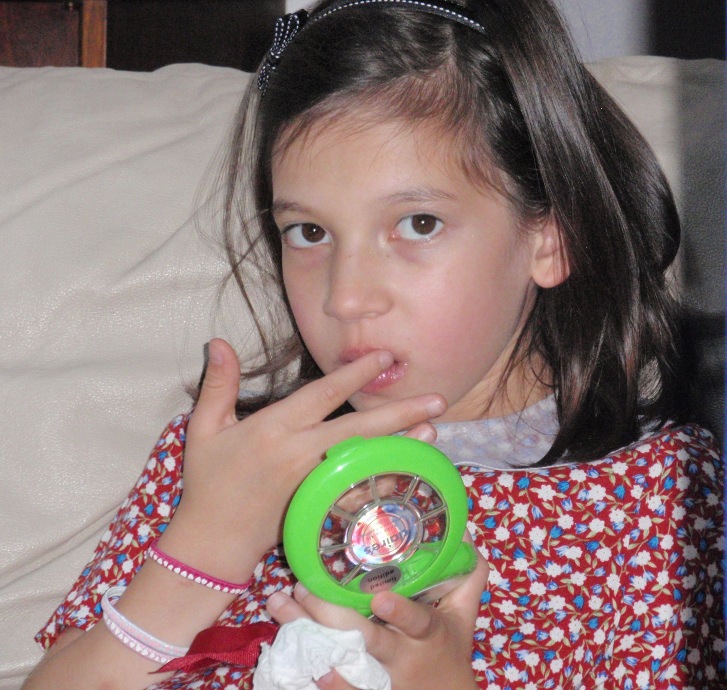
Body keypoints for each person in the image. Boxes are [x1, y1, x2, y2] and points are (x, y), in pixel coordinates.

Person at [24, 0, 724, 688]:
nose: (346, 296)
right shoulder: (226, 460)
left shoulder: (661, 505)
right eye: (309, 233)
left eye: (418, 224)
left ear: (550, 238)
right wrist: (205, 548)